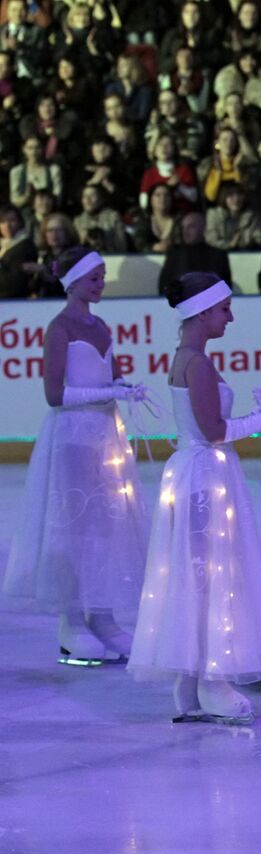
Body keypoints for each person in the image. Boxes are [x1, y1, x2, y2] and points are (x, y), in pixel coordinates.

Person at [128, 272, 261, 725]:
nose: (230, 316)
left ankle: (189, 682)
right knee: (212, 575)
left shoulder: (186, 357)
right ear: (202, 311)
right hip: (205, 474)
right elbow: (214, 431)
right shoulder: (197, 363)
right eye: (224, 308)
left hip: (199, 473)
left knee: (198, 575)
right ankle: (211, 678)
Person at [3, 248, 149, 665]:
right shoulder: (59, 328)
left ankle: (102, 616)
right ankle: (72, 622)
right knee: (75, 528)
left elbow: (110, 375)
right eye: (94, 278)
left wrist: (125, 387)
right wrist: (109, 392)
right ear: (73, 283)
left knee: (106, 528)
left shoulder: (101, 326)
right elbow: (54, 394)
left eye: (103, 276)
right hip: (72, 438)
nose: (101, 283)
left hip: (106, 438)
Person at [158, 212, 232, 293]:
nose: (185, 231)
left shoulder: (218, 256)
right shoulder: (174, 255)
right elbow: (163, 287)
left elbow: (225, 289)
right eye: (183, 227)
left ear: (202, 228)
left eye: (190, 227)